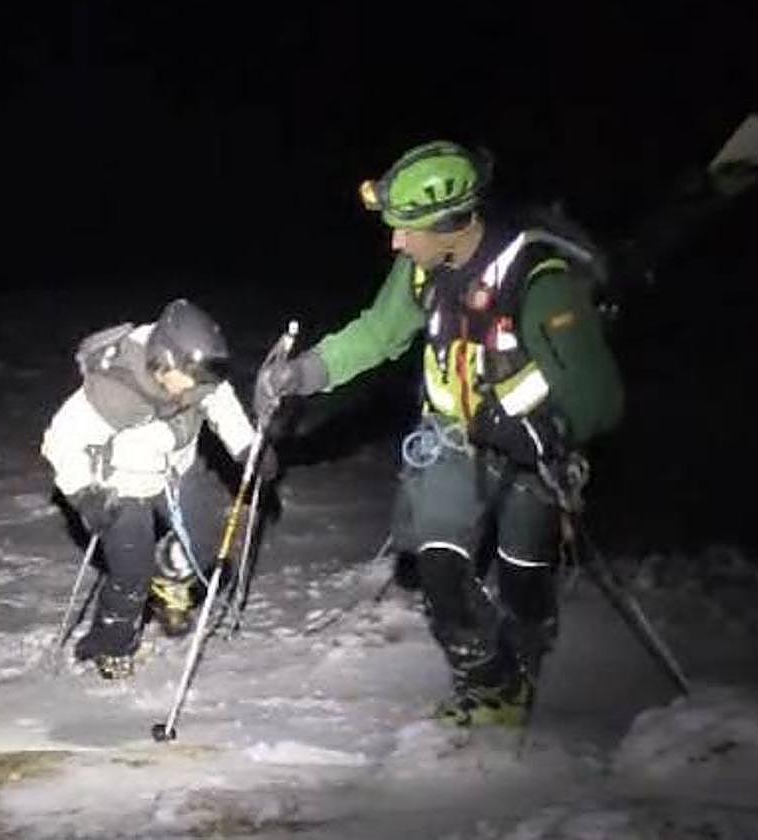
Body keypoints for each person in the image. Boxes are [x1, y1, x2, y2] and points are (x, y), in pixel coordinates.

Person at [256, 141, 624, 726]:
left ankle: (523, 660)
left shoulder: (539, 281)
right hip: (451, 440)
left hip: (534, 457)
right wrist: (304, 373)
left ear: (452, 223)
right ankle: (489, 685)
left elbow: (600, 399)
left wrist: (550, 431)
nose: (396, 243)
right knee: (440, 564)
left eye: (408, 229)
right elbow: (378, 333)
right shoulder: (421, 270)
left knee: (525, 576)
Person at [42, 298, 276, 679]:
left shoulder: (194, 372)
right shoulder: (113, 388)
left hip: (175, 473)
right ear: (163, 360)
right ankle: (109, 645)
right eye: (190, 377)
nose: (196, 387)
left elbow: (221, 403)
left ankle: (170, 576)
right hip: (119, 486)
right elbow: (59, 441)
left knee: (208, 543)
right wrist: (84, 494)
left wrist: (247, 447)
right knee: (132, 573)